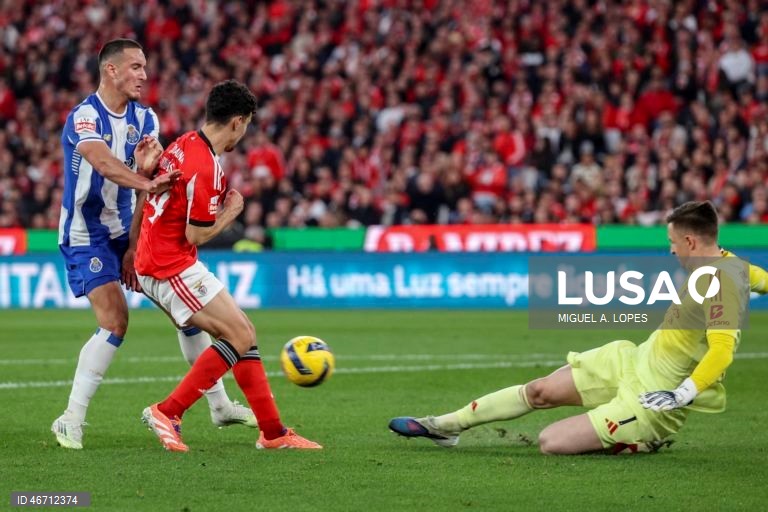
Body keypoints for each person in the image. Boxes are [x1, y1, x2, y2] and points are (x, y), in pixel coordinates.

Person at [390, 201, 768, 454]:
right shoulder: (730, 265)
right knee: (539, 391)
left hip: (655, 399)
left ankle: (644, 440)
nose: (671, 251)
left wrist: (682, 394)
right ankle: (445, 426)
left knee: (550, 442)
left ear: (689, 240)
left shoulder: (722, 283)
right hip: (631, 360)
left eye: (672, 242)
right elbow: (761, 278)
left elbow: (722, 350)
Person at [53, 39, 255, 450]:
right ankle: (70, 417)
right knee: (115, 320)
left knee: (188, 317)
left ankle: (219, 406)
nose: (144, 75)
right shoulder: (84, 118)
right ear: (111, 70)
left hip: (129, 230)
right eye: (136, 67)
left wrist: (133, 243)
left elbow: (153, 188)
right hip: (85, 234)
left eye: (144, 67)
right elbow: (104, 164)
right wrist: (146, 180)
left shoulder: (145, 119)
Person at [135, 79, 321, 452]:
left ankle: (273, 432)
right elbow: (196, 236)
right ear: (237, 122)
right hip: (169, 264)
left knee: (243, 333)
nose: (246, 132)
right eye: (248, 123)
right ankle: (167, 411)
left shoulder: (184, 142)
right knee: (238, 335)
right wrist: (230, 213)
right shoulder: (207, 167)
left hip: (159, 257)